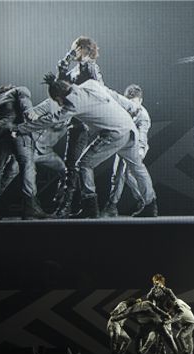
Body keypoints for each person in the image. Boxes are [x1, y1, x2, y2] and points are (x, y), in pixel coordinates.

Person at [19, 73, 155, 219]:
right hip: (129, 128)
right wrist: (131, 106)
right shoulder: (91, 84)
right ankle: (151, 205)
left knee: (83, 164)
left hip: (114, 134)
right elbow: (113, 94)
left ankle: (90, 206)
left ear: (60, 96)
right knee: (137, 167)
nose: (59, 104)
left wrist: (20, 128)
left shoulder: (72, 103)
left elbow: (51, 119)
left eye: (58, 101)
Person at [0, 84, 49, 221]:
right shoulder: (19, 90)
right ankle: (30, 207)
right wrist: (34, 127)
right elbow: (28, 112)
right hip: (17, 131)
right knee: (27, 166)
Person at [54, 36, 104, 218]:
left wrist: (83, 63)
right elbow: (62, 89)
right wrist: (62, 70)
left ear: (83, 49)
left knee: (72, 164)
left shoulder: (90, 66)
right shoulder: (77, 69)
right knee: (72, 163)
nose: (71, 51)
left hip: (82, 121)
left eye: (74, 48)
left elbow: (98, 89)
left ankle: (67, 206)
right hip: (75, 120)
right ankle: (78, 205)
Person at [101, 84, 157, 217]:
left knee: (122, 173)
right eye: (128, 102)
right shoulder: (123, 108)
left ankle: (112, 205)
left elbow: (142, 135)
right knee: (122, 175)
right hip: (122, 144)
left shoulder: (143, 116)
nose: (131, 106)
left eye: (134, 102)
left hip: (135, 147)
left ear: (140, 101)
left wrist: (141, 150)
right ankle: (143, 201)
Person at [110, 298, 179, 354]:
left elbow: (123, 315)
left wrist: (114, 319)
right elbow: (157, 309)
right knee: (168, 338)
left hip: (147, 324)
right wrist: (166, 315)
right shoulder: (147, 302)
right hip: (158, 322)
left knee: (138, 338)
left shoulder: (131, 308)